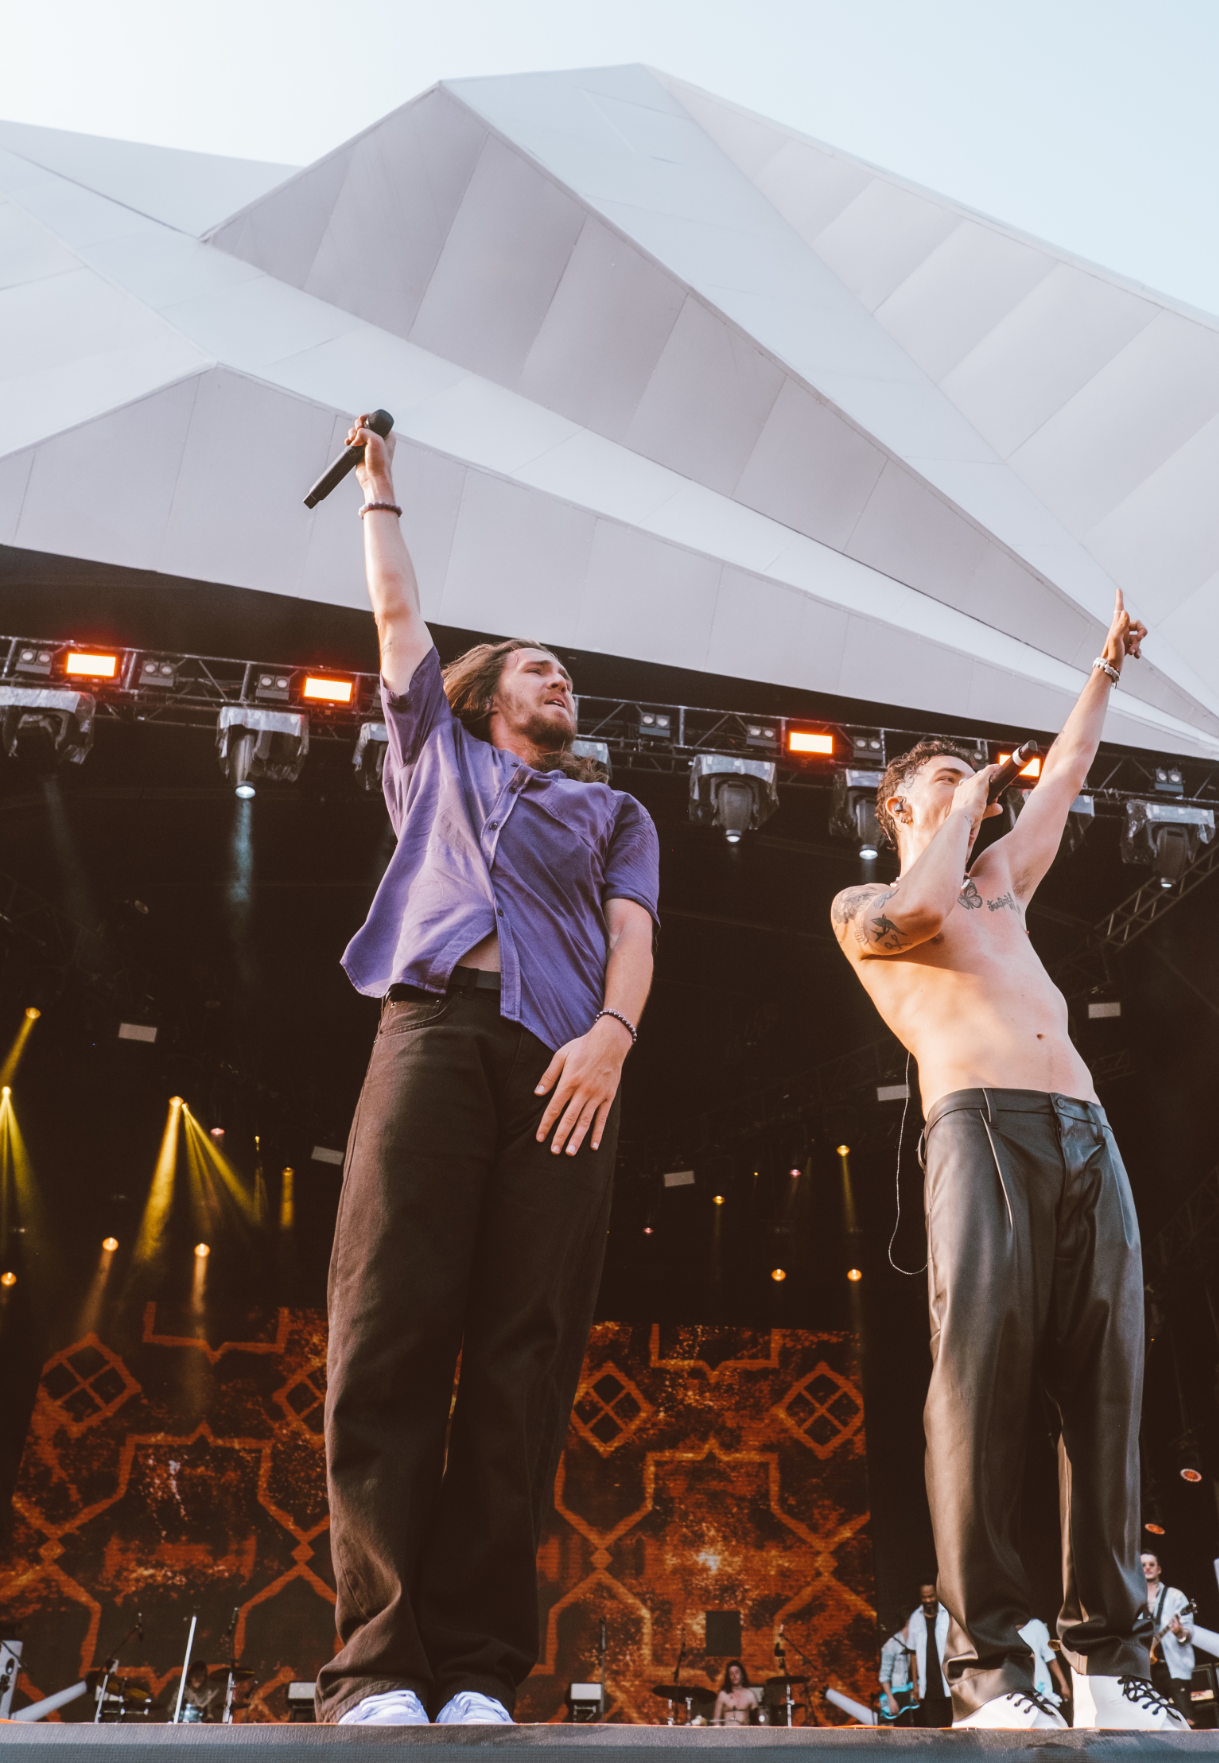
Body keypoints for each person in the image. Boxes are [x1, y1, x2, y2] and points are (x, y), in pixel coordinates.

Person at [314, 417, 660, 1727]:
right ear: (487, 696)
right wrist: (382, 491)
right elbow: (400, 619)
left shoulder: (615, 812)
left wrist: (614, 1043)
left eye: (566, 671)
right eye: (539, 667)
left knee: (523, 1359)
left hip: (569, 1067)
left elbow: (634, 941)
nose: (561, 679)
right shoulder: (436, 759)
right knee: (392, 1329)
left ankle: (474, 1671)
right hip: (434, 1029)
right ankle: (375, 1667)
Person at [832, 593, 1182, 1733]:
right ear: (900, 802)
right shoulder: (875, 901)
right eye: (945, 774)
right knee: (978, 1385)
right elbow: (916, 903)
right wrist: (960, 807)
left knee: (1108, 1386)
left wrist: (1101, 671)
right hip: (980, 1126)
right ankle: (988, 1667)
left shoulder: (1003, 886)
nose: (974, 787)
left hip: (1086, 1130)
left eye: (973, 777)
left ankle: (1108, 1661)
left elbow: (1070, 774)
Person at [1141, 1551, 1194, 1723]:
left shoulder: (1175, 1596)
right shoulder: (1133, 1599)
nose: (1147, 1568)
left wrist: (1179, 1632)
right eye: (1143, 1565)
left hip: (1173, 1666)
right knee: (1154, 1721)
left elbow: (1188, 1634)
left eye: (1151, 1564)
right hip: (1146, 1671)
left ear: (1159, 1569)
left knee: (1186, 1719)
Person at [905, 1581, 953, 1726]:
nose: (927, 1601)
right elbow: (913, 1654)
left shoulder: (948, 1615)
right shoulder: (915, 1618)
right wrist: (915, 1685)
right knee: (936, 1733)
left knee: (955, 1731)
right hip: (928, 1688)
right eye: (924, 1597)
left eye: (931, 1596)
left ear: (937, 1594)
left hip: (950, 1685)